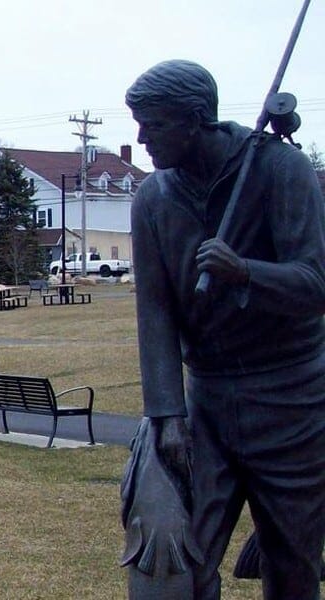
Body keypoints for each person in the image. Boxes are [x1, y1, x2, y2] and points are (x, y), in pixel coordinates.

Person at [125, 59, 325, 599]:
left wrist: (246, 274)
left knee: (292, 565)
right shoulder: (153, 199)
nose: (140, 137)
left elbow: (316, 284)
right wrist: (166, 414)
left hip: (292, 401)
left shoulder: (281, 170)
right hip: (206, 405)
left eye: (153, 124)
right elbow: (156, 312)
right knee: (177, 561)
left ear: (195, 119)